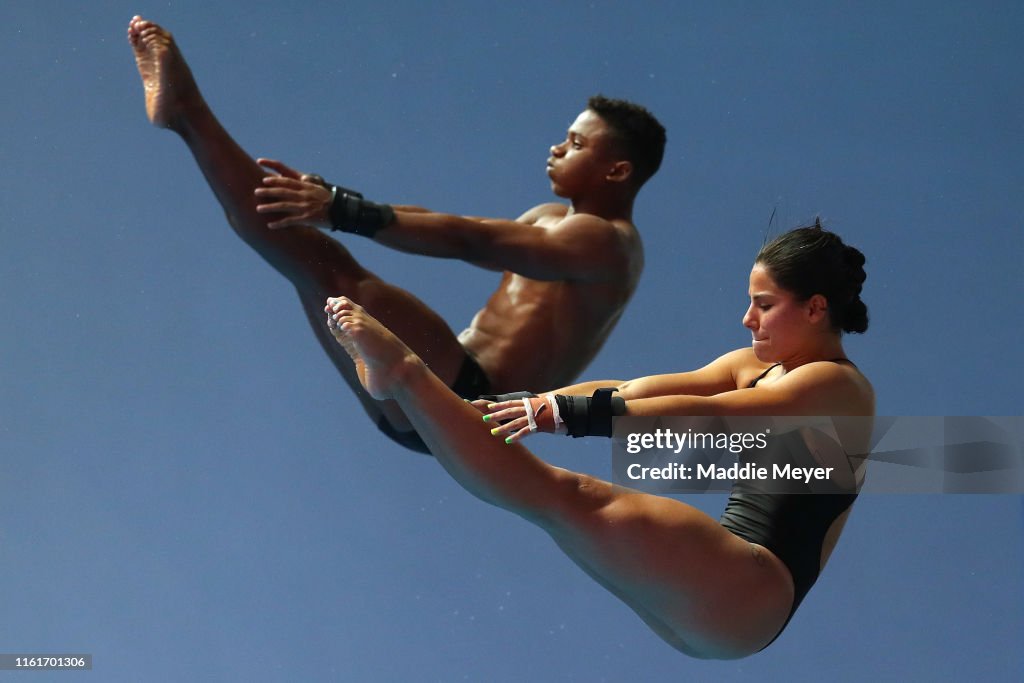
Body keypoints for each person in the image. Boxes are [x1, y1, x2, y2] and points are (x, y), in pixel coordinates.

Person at [323, 224, 874, 658]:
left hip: (751, 589)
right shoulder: (750, 364)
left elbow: (718, 416)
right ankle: (413, 391)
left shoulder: (837, 385)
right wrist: (534, 403)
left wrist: (565, 415)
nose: (747, 318)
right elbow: (632, 389)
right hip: (707, 614)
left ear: (815, 308)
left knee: (568, 496)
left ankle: (404, 376)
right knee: (552, 505)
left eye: (765, 303)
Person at [127, 16, 666, 454]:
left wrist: (344, 209)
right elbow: (450, 223)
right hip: (435, 391)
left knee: (328, 265)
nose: (556, 148)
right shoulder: (549, 215)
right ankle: (184, 117)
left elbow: (473, 242)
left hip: (471, 403)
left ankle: (188, 112)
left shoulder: (610, 244)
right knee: (306, 258)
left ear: (616, 171)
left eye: (575, 143)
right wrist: (334, 197)